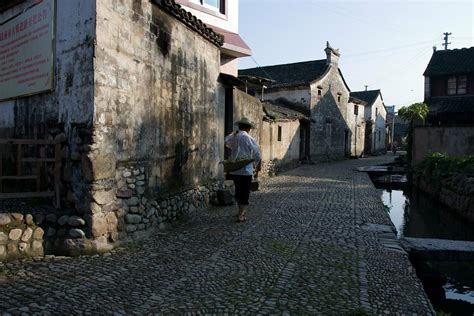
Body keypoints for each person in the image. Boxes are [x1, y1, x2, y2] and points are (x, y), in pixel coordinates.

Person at [225, 117, 261, 223]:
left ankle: (239, 211)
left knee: (238, 190)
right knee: (244, 192)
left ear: (239, 127)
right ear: (248, 128)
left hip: (235, 170)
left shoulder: (234, 136)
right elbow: (257, 153)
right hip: (246, 170)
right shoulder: (248, 138)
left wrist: (234, 134)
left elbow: (226, 141)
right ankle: (241, 215)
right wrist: (257, 165)